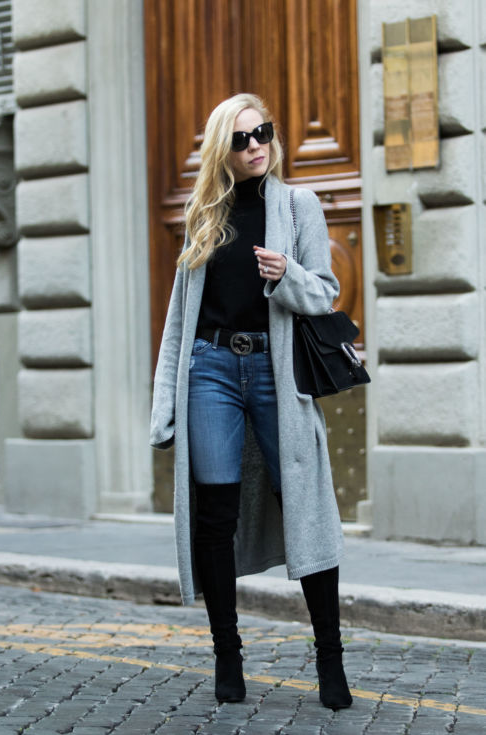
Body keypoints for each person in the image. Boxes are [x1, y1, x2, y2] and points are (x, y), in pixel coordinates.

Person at [150, 93, 353, 711]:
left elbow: (326, 292)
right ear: (223, 150)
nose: (255, 145)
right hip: (209, 370)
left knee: (306, 508)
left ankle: (329, 657)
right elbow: (180, 319)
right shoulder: (202, 213)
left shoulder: (298, 205)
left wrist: (285, 273)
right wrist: (165, 401)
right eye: (240, 139)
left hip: (273, 371)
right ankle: (226, 652)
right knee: (214, 514)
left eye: (261, 132)